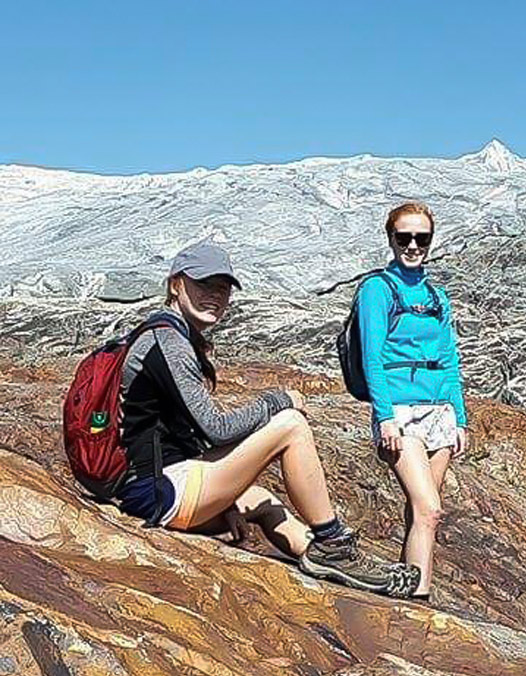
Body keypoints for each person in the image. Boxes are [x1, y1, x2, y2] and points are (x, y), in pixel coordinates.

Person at [116, 240, 416, 596]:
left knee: (263, 501)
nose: (215, 295)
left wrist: (223, 500)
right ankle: (333, 543)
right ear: (176, 284)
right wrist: (277, 400)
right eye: (203, 284)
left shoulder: (172, 335)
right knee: (291, 425)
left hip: (162, 482)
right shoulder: (169, 343)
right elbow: (215, 429)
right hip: (159, 492)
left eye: (222, 288)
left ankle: (332, 563)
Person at [358, 201, 468, 600]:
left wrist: (460, 417)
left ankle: (407, 589)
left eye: (421, 238)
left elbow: (450, 357)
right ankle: (419, 598)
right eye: (404, 237)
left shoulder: (437, 296)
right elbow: (372, 356)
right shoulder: (376, 289)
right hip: (402, 413)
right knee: (430, 509)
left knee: (423, 511)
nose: (412, 245)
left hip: (439, 411)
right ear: (390, 239)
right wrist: (384, 416)